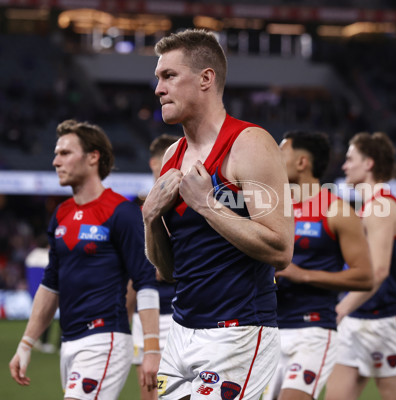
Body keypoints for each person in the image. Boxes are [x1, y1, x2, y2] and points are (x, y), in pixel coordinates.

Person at [143, 29, 294, 400]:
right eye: (158, 78)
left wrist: (208, 205)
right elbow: (167, 270)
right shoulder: (171, 157)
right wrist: (149, 220)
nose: (158, 89)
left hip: (238, 331)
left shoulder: (250, 143)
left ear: (206, 78)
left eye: (169, 76)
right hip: (180, 331)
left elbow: (281, 250)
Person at [9, 119, 161, 399]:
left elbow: (145, 281)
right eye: (56, 154)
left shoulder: (121, 212)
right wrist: (26, 343)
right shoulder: (61, 214)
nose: (55, 161)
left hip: (105, 339)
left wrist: (152, 348)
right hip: (70, 342)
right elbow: (50, 283)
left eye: (65, 153)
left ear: (93, 157)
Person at [262, 131, 373, 400]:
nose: (271, 159)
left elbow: (365, 277)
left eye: (281, 152)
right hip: (267, 329)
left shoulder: (337, 211)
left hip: (312, 330)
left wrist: (304, 276)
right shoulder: (269, 208)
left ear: (302, 162)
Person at [325, 132, 396, 400]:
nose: (344, 166)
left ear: (369, 163)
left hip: (384, 321)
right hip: (357, 319)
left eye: (350, 158)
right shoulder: (369, 207)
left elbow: (378, 272)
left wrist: (340, 308)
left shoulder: (381, 207)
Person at [127, 133, 181, 400]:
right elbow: (129, 274)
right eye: (166, 162)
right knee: (148, 394)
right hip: (145, 316)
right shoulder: (135, 215)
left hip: (179, 314)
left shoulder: (186, 209)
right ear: (152, 163)